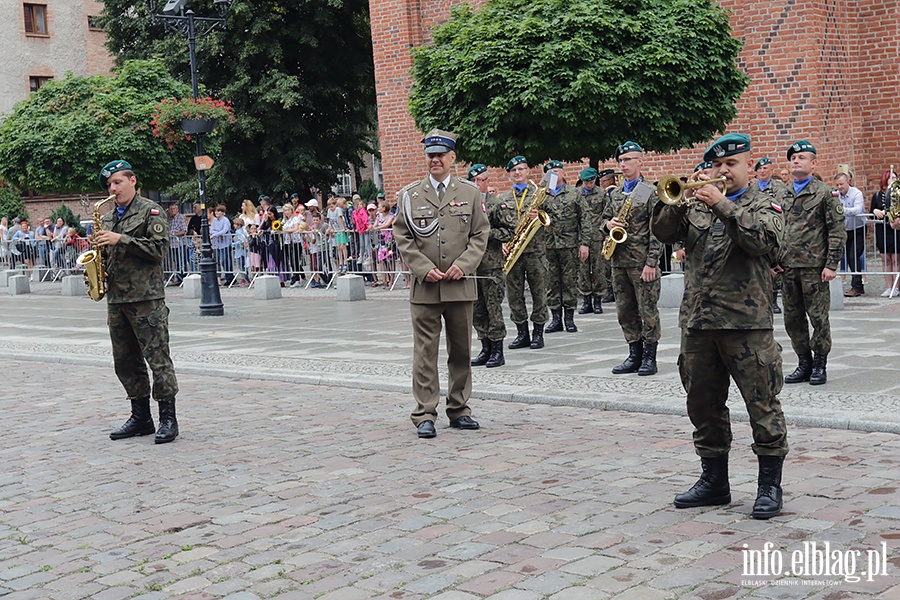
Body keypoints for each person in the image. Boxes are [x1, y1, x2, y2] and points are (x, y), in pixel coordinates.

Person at [652, 132, 788, 519]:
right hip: (698, 322)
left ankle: (769, 486)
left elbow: (765, 242)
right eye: (717, 166)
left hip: (746, 325)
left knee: (762, 404)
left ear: (747, 165)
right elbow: (662, 233)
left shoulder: (765, 204)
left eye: (731, 164)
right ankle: (714, 482)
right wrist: (677, 203)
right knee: (703, 403)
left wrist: (725, 205)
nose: (723, 171)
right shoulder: (698, 206)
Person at [393, 129, 489, 439]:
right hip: (426, 288)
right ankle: (424, 414)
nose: (435, 159)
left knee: (461, 351)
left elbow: (479, 235)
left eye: (441, 154)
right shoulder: (409, 195)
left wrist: (463, 265)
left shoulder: (470, 193)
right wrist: (422, 268)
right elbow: (402, 236)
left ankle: (459, 409)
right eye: (431, 155)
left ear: (452, 158)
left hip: (460, 286)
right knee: (425, 354)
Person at [94, 160, 179, 444]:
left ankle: (168, 418)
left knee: (158, 359)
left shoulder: (150, 211)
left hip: (146, 299)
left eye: (117, 182)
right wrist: (98, 267)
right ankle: (141, 417)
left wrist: (121, 239)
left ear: (132, 180)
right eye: (109, 185)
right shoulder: (106, 218)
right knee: (126, 361)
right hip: (117, 299)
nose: (112, 189)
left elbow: (158, 250)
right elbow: (108, 257)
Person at [777, 140, 845, 385]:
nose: (796, 161)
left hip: (814, 267)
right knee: (792, 318)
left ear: (813, 163)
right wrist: (774, 260)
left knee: (818, 317)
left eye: (801, 157)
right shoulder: (782, 193)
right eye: (793, 157)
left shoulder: (825, 193)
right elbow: (775, 229)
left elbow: (837, 230)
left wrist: (831, 264)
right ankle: (803, 362)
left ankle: (819, 363)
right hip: (787, 267)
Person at [600, 141, 662, 376]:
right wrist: (608, 224)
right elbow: (601, 221)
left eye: (628, 160)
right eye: (620, 161)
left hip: (641, 262)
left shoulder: (648, 190)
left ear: (640, 161)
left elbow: (656, 230)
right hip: (619, 261)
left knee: (647, 310)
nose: (623, 164)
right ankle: (634, 353)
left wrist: (651, 263)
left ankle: (649, 356)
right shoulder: (615, 193)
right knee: (625, 310)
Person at [467, 163, 517, 368]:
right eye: (475, 181)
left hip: (491, 265)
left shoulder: (497, 204)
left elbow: (510, 231)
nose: (479, 184)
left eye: (482, 180)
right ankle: (485, 347)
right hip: (471, 265)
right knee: (476, 309)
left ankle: (498, 350)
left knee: (493, 308)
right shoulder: (463, 205)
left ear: (488, 182)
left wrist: (489, 234)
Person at [500, 155, 549, 350]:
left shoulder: (540, 195)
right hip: (513, 252)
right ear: (510, 175)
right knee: (514, 294)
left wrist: (539, 215)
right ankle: (522, 333)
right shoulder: (503, 198)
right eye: (514, 171)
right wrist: (501, 242)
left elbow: (554, 218)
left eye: (521, 169)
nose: (517, 173)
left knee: (539, 293)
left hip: (535, 252)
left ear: (528, 171)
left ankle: (538, 333)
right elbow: (497, 224)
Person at [541, 160, 588, 334]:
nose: (554, 174)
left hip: (569, 244)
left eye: (557, 171)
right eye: (550, 172)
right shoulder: (542, 194)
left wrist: (585, 243)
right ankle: (555, 319)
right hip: (548, 244)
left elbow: (585, 219)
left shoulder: (574, 193)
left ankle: (569, 318)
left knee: (569, 281)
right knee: (552, 282)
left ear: (563, 173)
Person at [754, 157, 787, 313]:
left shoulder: (779, 187)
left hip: (774, 230)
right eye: (759, 169)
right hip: (757, 230)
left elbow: (783, 209)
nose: (762, 171)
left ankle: (774, 300)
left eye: (765, 168)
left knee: (775, 267)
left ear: (771, 170)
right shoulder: (751, 188)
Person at [576, 167, 610, 315]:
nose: (588, 185)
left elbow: (606, 214)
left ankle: (598, 301)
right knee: (583, 269)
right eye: (585, 182)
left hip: (597, 235)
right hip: (581, 236)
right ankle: (586, 301)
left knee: (598, 268)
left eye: (590, 182)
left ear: (595, 180)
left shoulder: (602, 194)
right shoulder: (576, 194)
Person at [835, 172, 866, 297]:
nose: (839, 187)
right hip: (845, 229)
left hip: (858, 228)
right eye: (837, 185)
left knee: (854, 256)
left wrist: (841, 211)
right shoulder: (836, 195)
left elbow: (858, 210)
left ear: (848, 182)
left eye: (841, 184)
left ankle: (857, 286)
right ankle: (858, 286)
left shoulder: (856, 193)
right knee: (848, 257)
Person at [871, 169, 900, 296]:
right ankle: (888, 286)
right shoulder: (877, 196)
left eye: (895, 178)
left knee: (896, 259)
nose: (893, 180)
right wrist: (876, 211)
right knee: (885, 259)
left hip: (895, 229)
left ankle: (896, 287)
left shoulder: (898, 194)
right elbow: (872, 211)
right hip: (883, 230)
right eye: (891, 178)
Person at [165, 203, 188, 284]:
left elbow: (184, 231)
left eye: (173, 209)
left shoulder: (181, 218)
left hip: (180, 243)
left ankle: (183, 278)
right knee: (175, 262)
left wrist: (173, 235)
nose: (172, 211)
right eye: (171, 209)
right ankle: (178, 278)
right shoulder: (170, 219)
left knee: (182, 261)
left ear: (177, 209)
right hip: (172, 244)